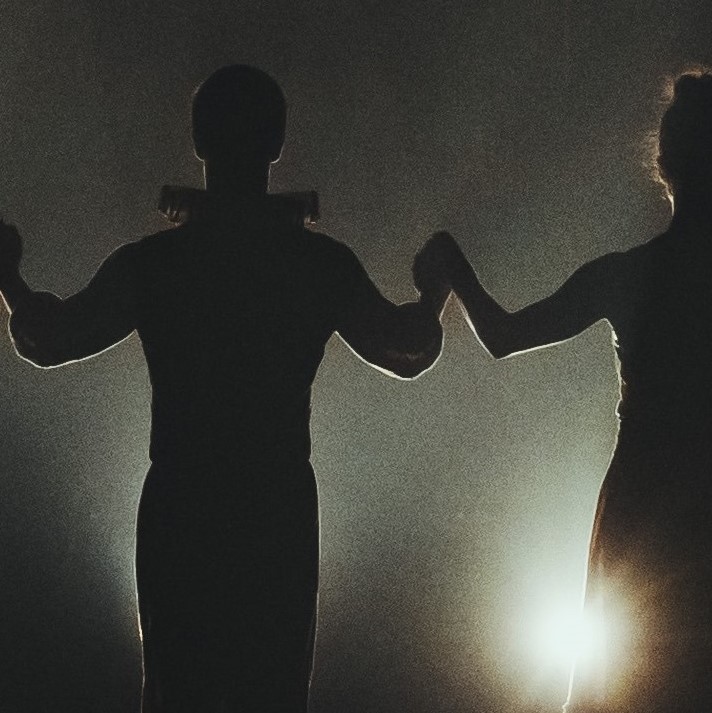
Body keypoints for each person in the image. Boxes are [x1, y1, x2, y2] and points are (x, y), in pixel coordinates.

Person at [416, 71, 712, 713]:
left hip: (649, 503)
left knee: (649, 679)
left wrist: (454, 270)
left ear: (664, 165)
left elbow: (505, 336)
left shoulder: (625, 275)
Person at [0, 65, 445, 712]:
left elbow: (50, 339)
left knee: (179, 690)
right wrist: (436, 287)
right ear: (278, 143)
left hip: (184, 510)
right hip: (276, 513)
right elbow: (406, 350)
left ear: (198, 140)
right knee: (273, 691)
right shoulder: (319, 264)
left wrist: (8, 275)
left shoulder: (155, 264)